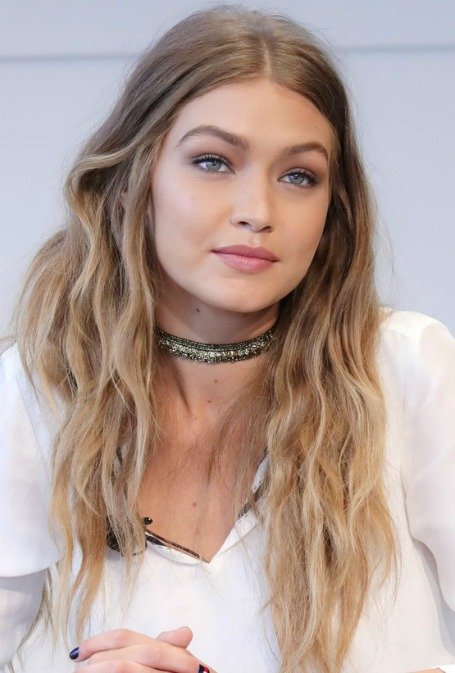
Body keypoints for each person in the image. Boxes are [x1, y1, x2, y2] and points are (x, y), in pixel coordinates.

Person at [0, 5, 454, 673]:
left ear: (332, 211)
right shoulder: (33, 395)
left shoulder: (405, 370)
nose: (257, 212)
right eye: (213, 161)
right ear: (133, 182)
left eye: (298, 176)